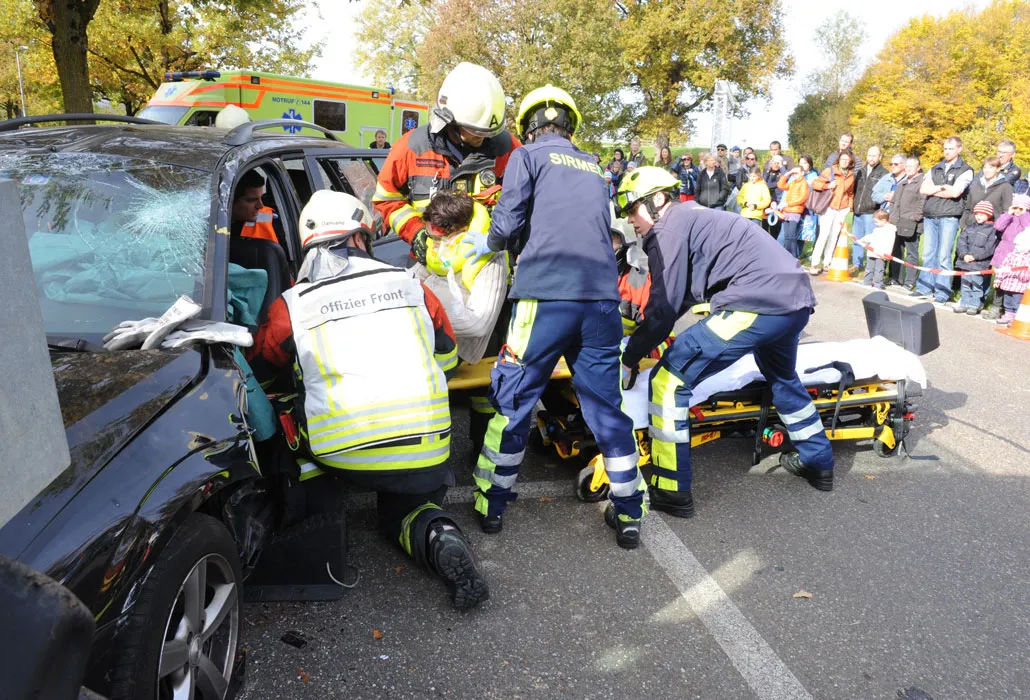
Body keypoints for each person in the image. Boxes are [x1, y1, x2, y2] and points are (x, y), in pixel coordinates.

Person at [247, 190, 488, 610]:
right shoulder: (413, 287)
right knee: (404, 515)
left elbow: (263, 367)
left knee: (287, 403)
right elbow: (448, 360)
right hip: (425, 449)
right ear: (361, 237)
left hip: (341, 453)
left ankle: (315, 511)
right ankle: (439, 534)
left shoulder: (292, 306)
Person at [462, 85, 646, 549]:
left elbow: (506, 224)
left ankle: (492, 503)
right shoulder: (594, 166)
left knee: (514, 398)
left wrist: (479, 248)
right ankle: (628, 512)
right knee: (605, 407)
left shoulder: (526, 157)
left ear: (529, 126)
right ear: (570, 125)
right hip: (601, 300)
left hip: (545, 297)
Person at [614, 167, 835, 520]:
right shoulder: (693, 216)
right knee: (781, 378)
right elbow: (682, 293)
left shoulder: (666, 229)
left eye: (632, 209)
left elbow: (665, 307)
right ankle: (818, 461)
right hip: (793, 301)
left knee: (668, 381)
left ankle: (671, 490)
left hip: (755, 303)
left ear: (658, 201)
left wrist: (630, 355)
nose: (630, 220)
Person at [373, 62, 521, 268]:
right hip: (431, 263)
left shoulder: (508, 148)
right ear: (450, 121)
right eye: (477, 132)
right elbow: (386, 199)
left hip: (486, 262)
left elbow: (525, 200)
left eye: (489, 132)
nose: (483, 138)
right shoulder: (412, 148)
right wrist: (416, 233)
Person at [412, 191, 508, 364]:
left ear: (463, 230)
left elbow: (478, 325)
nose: (434, 244)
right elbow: (409, 281)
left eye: (439, 237)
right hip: (421, 338)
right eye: (430, 236)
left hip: (453, 352)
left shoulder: (491, 259)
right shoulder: (434, 252)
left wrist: (422, 320)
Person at [914, 136, 973, 302]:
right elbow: (923, 190)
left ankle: (942, 292)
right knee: (928, 254)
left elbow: (955, 192)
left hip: (949, 216)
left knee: (944, 256)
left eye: (951, 149)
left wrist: (935, 190)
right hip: (931, 215)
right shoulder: (935, 168)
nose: (947, 152)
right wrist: (941, 188)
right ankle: (924, 288)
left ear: (959, 149)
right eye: (945, 148)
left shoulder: (966, 170)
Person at [808, 151, 856, 275]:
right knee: (823, 235)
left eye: (847, 160)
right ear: (839, 160)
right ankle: (814, 263)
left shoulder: (851, 175)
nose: (845, 161)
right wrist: (828, 185)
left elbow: (850, 193)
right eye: (843, 159)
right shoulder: (830, 171)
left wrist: (849, 206)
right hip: (829, 206)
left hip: (842, 209)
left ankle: (827, 263)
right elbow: (815, 184)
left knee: (834, 236)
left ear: (850, 162)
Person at [985, 194, 1030, 321]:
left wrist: (1024, 214)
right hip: (1004, 255)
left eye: (1020, 208)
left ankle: (1012, 311)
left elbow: (1028, 227)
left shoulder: (1026, 219)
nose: (1017, 211)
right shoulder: (1010, 218)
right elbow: (998, 226)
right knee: (999, 283)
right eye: (1015, 207)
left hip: (1019, 258)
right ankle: (997, 307)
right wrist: (1008, 214)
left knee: (1015, 286)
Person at [888, 157, 927, 293]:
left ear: (918, 168)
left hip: (912, 225)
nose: (908, 168)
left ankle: (910, 281)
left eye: (912, 166)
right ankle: (895, 278)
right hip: (898, 222)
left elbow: (923, 202)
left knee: (912, 253)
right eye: (907, 166)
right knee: (896, 251)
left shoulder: (922, 182)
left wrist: (915, 217)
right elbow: (894, 202)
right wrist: (892, 218)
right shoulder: (902, 183)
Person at [954, 201, 1000, 315]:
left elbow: (989, 248)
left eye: (982, 214)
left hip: (979, 264)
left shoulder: (992, 230)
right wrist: (964, 255)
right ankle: (964, 303)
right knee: (965, 284)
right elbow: (961, 242)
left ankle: (975, 305)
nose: (978, 217)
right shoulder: (969, 227)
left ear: (989, 215)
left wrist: (975, 256)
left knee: (976, 285)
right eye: (977, 214)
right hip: (965, 262)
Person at [852, 146, 887, 271]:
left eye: (874, 155)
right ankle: (857, 264)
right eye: (869, 155)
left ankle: (870, 266)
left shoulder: (884, 174)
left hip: (871, 211)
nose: (871, 158)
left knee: (870, 240)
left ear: (879, 157)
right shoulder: (860, 172)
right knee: (857, 239)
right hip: (858, 210)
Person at [992, 226, 1030, 328]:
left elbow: (1027, 273)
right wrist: (998, 279)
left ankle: (1016, 317)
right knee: (1007, 301)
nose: (1017, 246)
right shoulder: (1011, 255)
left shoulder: (1028, 258)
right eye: (1016, 244)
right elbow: (1003, 267)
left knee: (1017, 302)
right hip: (1008, 284)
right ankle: (1008, 314)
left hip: (1020, 286)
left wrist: (1021, 274)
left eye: (1020, 244)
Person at [961, 157, 1013, 229]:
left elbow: (1006, 211)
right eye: (985, 168)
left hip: (992, 230)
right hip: (972, 228)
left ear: (998, 169)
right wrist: (963, 225)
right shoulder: (975, 187)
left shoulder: (1006, 187)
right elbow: (968, 209)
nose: (987, 170)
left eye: (991, 168)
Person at [774, 160, 812, 258]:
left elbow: (803, 198)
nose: (794, 175)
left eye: (796, 173)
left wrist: (789, 204)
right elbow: (780, 185)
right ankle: (785, 256)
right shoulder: (792, 182)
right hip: (787, 211)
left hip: (795, 212)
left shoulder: (804, 184)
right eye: (793, 173)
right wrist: (788, 174)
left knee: (792, 235)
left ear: (802, 173)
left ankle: (794, 257)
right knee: (786, 236)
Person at [231, 169, 278, 242]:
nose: (260, 206)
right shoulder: (210, 224)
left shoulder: (274, 222)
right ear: (231, 201)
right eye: (252, 200)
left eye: (261, 198)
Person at [857, 209, 896, 289]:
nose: (875, 224)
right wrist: (863, 239)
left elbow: (890, 243)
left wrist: (887, 254)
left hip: (881, 254)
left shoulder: (890, 230)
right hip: (872, 252)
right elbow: (872, 237)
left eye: (876, 222)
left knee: (879, 269)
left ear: (884, 220)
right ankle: (867, 281)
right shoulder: (877, 229)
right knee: (869, 268)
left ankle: (877, 283)